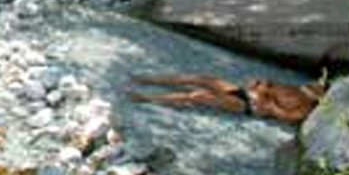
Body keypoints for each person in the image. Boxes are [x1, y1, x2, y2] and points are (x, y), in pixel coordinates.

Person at [127, 73, 325, 125]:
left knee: (197, 96)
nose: (307, 87)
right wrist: (259, 85)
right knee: (201, 79)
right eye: (309, 85)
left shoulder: (304, 110)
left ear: (315, 98)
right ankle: (150, 79)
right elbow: (269, 84)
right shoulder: (295, 89)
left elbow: (282, 115)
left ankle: (147, 98)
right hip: (248, 94)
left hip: (250, 105)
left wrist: (267, 100)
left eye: (310, 89)